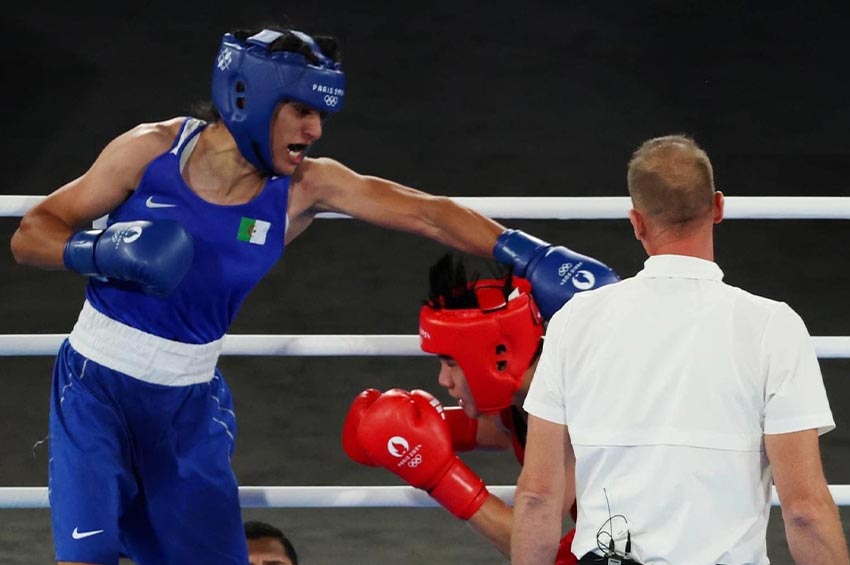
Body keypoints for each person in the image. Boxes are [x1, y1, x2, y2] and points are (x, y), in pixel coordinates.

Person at [9, 25, 616, 565]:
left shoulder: (304, 186)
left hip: (188, 403)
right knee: (87, 556)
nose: (315, 130)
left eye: (320, 115)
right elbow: (31, 233)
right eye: (301, 111)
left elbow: (427, 214)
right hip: (94, 387)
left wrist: (526, 253)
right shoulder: (152, 151)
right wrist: (97, 251)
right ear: (247, 98)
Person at [511, 135, 848, 565]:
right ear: (718, 207)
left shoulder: (575, 321)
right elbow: (805, 511)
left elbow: (538, 495)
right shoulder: (772, 327)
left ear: (637, 222)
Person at [342, 254, 618, 562]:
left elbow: (532, 541)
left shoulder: (571, 400)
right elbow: (503, 433)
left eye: (451, 363)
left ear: (494, 358)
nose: (443, 380)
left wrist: (441, 476)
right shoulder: (530, 393)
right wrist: (413, 429)